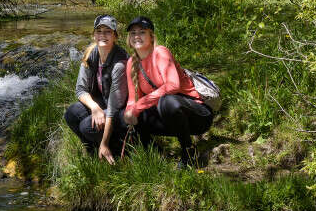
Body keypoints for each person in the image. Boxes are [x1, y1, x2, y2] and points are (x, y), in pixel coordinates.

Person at [122, 16, 213, 168]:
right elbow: (133, 98)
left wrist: (139, 106)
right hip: (170, 118)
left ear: (151, 36)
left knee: (167, 102)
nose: (137, 36)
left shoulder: (160, 52)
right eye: (133, 33)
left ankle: (188, 151)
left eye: (142, 32)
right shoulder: (132, 63)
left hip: (197, 116)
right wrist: (129, 112)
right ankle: (157, 155)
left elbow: (173, 86)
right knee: (126, 116)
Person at [64, 14, 130, 165]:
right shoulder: (91, 55)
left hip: (121, 111)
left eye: (108, 31)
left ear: (115, 36)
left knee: (87, 126)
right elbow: (80, 90)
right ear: (94, 35)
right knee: (71, 113)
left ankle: (116, 149)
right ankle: (93, 150)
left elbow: (114, 109)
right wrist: (95, 107)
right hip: (104, 104)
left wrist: (105, 142)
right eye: (99, 31)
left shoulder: (120, 63)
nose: (103, 35)